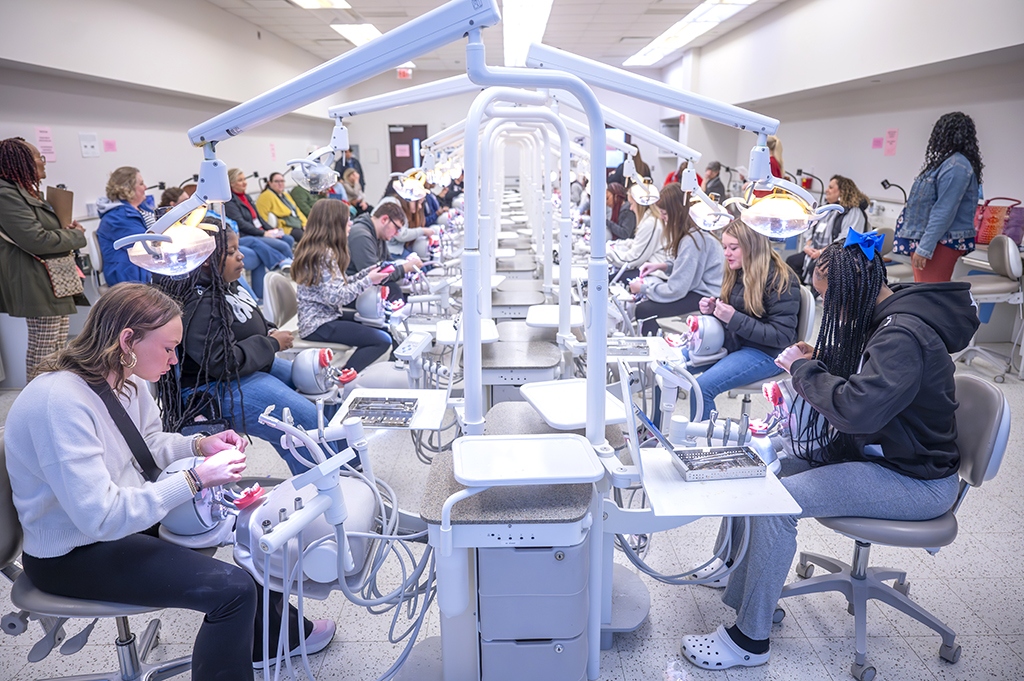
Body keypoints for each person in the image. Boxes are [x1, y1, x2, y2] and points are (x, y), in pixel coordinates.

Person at [4, 283, 335, 680]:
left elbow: (147, 444)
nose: (176, 360)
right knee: (231, 590)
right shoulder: (58, 403)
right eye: (167, 348)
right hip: (74, 554)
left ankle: (274, 638)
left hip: (123, 527)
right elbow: (102, 518)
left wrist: (199, 445)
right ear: (127, 339)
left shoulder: (123, 379)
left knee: (257, 530)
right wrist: (195, 479)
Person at [681, 232, 976, 671]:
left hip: (916, 481)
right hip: (886, 453)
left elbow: (856, 409)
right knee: (761, 470)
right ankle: (752, 597)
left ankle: (749, 640)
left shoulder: (903, 336)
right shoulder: (883, 316)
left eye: (831, 302)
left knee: (775, 504)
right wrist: (816, 356)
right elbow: (867, 377)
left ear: (852, 292)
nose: (831, 313)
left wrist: (803, 369)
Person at [154, 222, 335, 476]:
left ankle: (345, 468)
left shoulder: (227, 282)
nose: (241, 256)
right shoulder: (201, 301)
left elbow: (248, 318)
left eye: (238, 248)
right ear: (206, 259)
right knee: (305, 421)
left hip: (246, 366)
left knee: (321, 393)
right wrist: (271, 343)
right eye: (230, 252)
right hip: (212, 387)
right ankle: (328, 487)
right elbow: (221, 362)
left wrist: (268, 330)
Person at [689, 219, 800, 421]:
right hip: (738, 343)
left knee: (701, 388)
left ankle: (702, 447)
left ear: (752, 247)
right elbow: (739, 314)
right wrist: (714, 311)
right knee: (671, 367)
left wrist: (733, 318)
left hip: (768, 353)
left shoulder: (781, 279)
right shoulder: (738, 271)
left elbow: (782, 336)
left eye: (733, 248)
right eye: (724, 247)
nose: (726, 253)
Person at [0, 137, 88, 382]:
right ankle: (38, 404)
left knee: (56, 347)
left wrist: (66, 229)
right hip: (36, 280)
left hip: (52, 279)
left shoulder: (27, 192)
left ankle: (52, 397)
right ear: (23, 162)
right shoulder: (5, 194)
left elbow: (44, 232)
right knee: (45, 350)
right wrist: (75, 235)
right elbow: (35, 240)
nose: (44, 162)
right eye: (40, 157)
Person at [292, 201, 392, 373]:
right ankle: (342, 378)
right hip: (317, 325)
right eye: (347, 220)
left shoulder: (321, 250)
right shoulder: (323, 254)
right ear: (335, 223)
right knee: (382, 340)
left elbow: (338, 286)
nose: (351, 223)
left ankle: (345, 372)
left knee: (382, 327)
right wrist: (368, 280)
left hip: (324, 316)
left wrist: (367, 273)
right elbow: (337, 297)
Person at [894, 112, 983, 283]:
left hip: (939, 242)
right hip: (931, 240)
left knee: (930, 297)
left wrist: (925, 247)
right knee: (924, 294)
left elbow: (944, 211)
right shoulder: (946, 163)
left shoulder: (956, 166)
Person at [631, 184, 723, 336]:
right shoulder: (694, 234)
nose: (662, 218)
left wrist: (643, 289)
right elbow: (686, 266)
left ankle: (655, 352)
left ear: (676, 213)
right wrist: (662, 266)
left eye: (665, 214)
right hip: (703, 291)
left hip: (705, 297)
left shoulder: (692, 240)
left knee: (644, 310)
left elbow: (677, 289)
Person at [787, 175, 869, 286]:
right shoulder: (825, 209)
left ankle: (819, 299)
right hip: (814, 252)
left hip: (837, 256)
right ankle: (800, 296)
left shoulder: (853, 212)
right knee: (791, 262)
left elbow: (846, 240)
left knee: (817, 268)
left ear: (842, 191)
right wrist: (808, 247)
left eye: (830, 187)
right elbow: (811, 231)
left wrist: (821, 252)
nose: (826, 190)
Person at [348, 200, 422, 302]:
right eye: (397, 228)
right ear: (385, 219)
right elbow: (375, 276)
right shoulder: (361, 236)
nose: (397, 234)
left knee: (395, 289)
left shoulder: (378, 235)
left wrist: (404, 263)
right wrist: (405, 268)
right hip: (353, 292)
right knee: (393, 291)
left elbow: (389, 263)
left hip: (365, 288)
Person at [96, 166, 153, 285]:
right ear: (128, 189)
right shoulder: (116, 217)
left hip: (146, 269)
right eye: (141, 184)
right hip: (132, 278)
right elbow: (147, 244)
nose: (146, 187)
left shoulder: (140, 208)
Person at [606, 190, 665, 274]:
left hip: (654, 273)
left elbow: (635, 258)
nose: (631, 208)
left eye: (632, 204)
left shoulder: (649, 223)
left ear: (639, 204)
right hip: (649, 269)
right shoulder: (648, 220)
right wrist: (617, 244)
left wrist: (609, 253)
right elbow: (637, 242)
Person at [256, 173, 306, 243]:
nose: (280, 184)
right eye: (276, 181)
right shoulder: (265, 196)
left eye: (282, 181)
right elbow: (262, 217)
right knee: (305, 238)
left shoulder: (285, 195)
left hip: (296, 224)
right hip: (283, 229)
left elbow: (297, 211)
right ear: (269, 183)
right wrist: (272, 232)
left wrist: (305, 224)